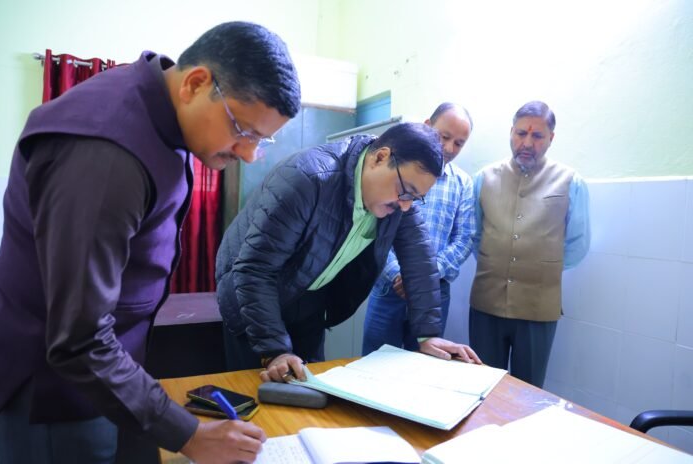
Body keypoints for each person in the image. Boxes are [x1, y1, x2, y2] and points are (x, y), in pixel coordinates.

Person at [0, 22, 301, 464]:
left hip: (105, 374)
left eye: (261, 139)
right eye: (244, 130)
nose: (249, 154)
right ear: (195, 84)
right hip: (53, 391)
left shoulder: (163, 117)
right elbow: (79, 339)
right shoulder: (106, 153)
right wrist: (189, 434)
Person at [215, 122, 480, 384]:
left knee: (311, 392)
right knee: (256, 394)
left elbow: (420, 261)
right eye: (405, 192)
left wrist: (428, 335)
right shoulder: (308, 178)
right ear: (380, 157)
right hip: (252, 300)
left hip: (310, 299)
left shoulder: (400, 202)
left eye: (415, 197)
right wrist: (274, 350)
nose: (406, 205)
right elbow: (255, 269)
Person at [469, 101, 590, 388]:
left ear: (551, 138)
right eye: (521, 133)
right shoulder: (484, 178)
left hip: (539, 308)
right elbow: (474, 235)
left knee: (529, 393)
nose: (527, 143)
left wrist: (540, 268)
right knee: (481, 388)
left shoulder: (570, 181)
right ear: (511, 132)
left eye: (537, 136)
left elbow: (578, 243)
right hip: (486, 305)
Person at [362, 103, 477, 355]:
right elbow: (374, 225)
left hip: (435, 290)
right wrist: (397, 273)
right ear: (427, 126)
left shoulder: (463, 183)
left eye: (458, 143)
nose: (449, 148)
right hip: (389, 285)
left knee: (424, 364)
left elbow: (465, 239)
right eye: (444, 137)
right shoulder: (398, 170)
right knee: (374, 362)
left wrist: (426, 274)